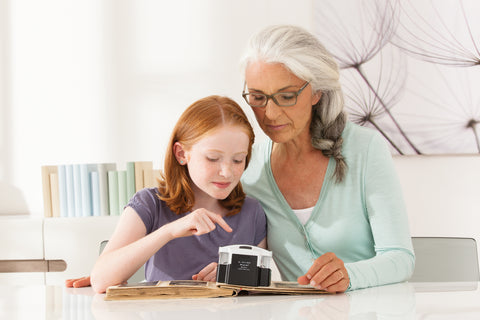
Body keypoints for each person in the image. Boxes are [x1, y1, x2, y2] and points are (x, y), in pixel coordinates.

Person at [239, 25, 415, 293]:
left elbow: (401, 258)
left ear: (317, 92)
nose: (270, 113)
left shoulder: (365, 149)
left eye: (286, 96)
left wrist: (350, 275)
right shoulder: (248, 169)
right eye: (258, 98)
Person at [68, 95, 267, 293]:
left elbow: (259, 287)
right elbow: (102, 280)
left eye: (238, 160)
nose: (227, 172)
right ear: (181, 154)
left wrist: (229, 275)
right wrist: (169, 231)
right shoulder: (150, 204)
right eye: (213, 158)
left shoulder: (252, 212)